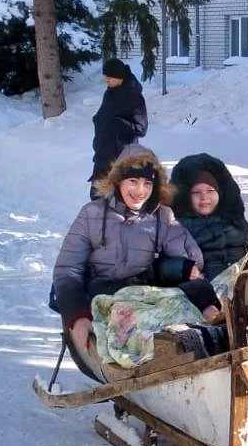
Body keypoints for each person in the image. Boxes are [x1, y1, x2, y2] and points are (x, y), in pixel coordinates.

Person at [53, 145, 213, 353]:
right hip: (100, 297)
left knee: (178, 310)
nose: (140, 191)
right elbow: (67, 269)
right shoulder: (91, 214)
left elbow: (191, 264)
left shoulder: (162, 217)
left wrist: (201, 293)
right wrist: (76, 316)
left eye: (147, 183)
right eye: (133, 181)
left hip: (143, 294)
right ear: (118, 181)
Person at [169, 153, 248, 274]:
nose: (204, 197)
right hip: (203, 287)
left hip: (241, 284)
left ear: (221, 192)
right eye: (196, 192)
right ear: (185, 197)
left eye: (210, 190)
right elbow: (168, 263)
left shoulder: (234, 220)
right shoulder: (178, 229)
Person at [90, 58, 148, 194]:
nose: (106, 80)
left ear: (119, 76)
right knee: (97, 198)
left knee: (118, 202)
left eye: (109, 77)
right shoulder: (109, 93)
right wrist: (97, 121)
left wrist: (118, 124)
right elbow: (104, 117)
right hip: (103, 157)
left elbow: (141, 128)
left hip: (122, 159)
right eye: (105, 76)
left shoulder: (134, 96)